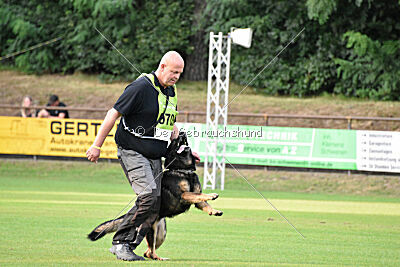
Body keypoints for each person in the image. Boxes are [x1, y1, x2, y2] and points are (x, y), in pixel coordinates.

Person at [86, 51, 199, 261]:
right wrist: (96, 145)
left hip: (156, 155)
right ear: (162, 67)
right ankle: (121, 243)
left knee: (154, 204)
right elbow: (113, 114)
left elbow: (170, 126)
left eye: (179, 73)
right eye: (173, 72)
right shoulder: (141, 87)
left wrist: (187, 151)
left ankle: (130, 245)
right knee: (148, 197)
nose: (176, 77)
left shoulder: (170, 91)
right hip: (132, 151)